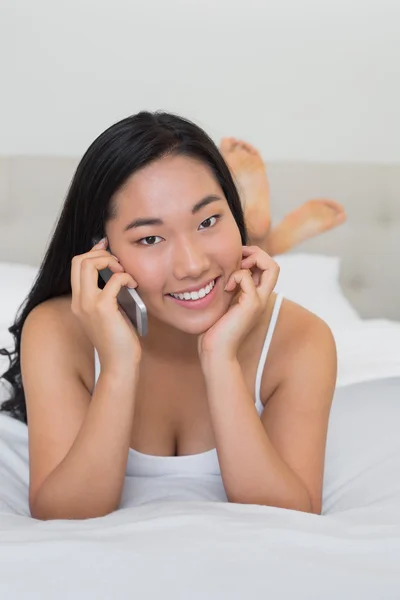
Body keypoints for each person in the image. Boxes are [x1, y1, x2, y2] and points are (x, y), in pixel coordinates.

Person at [0, 112, 337, 520]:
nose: (192, 264)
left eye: (209, 220)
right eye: (151, 238)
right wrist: (119, 365)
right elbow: (64, 513)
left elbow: (291, 515)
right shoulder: (57, 330)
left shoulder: (301, 340)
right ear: (102, 254)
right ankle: (266, 236)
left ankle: (264, 235)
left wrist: (220, 360)